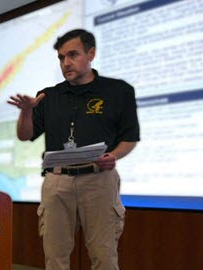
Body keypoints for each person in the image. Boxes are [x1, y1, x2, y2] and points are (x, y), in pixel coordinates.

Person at [8, 29, 139, 270]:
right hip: (57, 182)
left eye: (73, 54)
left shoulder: (118, 91)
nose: (66, 62)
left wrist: (114, 156)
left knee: (104, 254)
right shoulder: (49, 96)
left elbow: (130, 138)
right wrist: (26, 111)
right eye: (61, 57)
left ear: (91, 54)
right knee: (55, 256)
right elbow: (25, 135)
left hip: (99, 179)